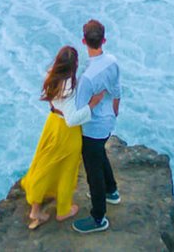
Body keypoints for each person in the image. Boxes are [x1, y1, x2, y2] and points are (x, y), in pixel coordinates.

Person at [19, 45, 106, 230]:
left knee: (45, 165)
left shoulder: (51, 76)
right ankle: (63, 210)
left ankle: (36, 208)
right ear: (73, 64)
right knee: (67, 170)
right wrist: (93, 104)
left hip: (52, 124)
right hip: (67, 132)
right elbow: (72, 119)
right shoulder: (69, 87)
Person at [72, 18, 121, 235]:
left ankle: (98, 217)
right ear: (104, 40)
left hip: (92, 128)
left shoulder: (87, 77)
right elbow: (117, 90)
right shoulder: (112, 61)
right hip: (109, 120)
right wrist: (114, 111)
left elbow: (81, 111)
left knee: (93, 171)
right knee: (100, 153)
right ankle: (111, 191)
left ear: (84, 41)